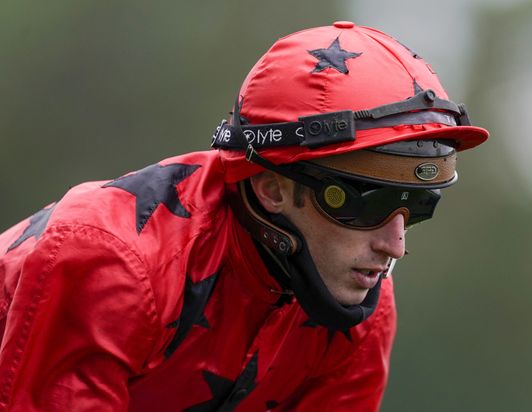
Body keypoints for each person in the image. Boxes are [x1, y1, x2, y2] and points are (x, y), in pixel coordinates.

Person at [0, 21, 488, 411]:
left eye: (419, 206)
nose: (395, 246)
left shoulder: (363, 312)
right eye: (366, 203)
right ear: (272, 186)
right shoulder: (112, 261)